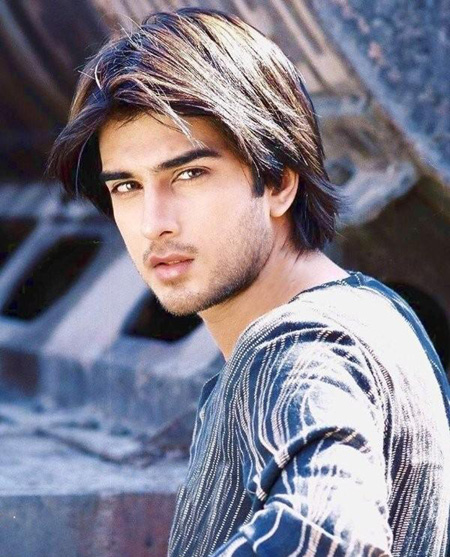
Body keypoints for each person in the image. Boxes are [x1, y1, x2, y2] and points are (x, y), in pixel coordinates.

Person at [47, 8, 450, 557]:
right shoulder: (372, 311)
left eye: (189, 174)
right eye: (127, 187)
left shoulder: (297, 346)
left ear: (279, 182)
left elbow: (329, 532)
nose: (153, 223)